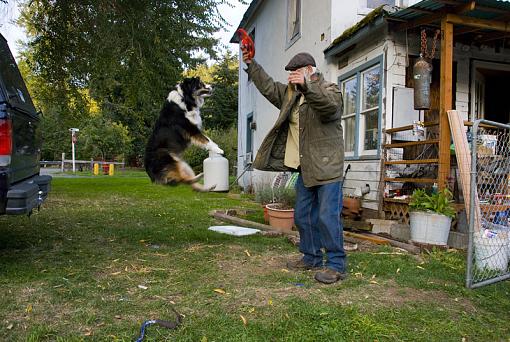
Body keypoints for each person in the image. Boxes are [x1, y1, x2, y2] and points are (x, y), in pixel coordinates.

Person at [241, 47, 347, 284]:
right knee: (302, 215)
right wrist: (250, 62)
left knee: (327, 217)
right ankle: (311, 257)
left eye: (296, 72)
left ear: (310, 71)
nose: (291, 77)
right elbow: (268, 86)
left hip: (328, 167)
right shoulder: (291, 95)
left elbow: (330, 109)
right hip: (305, 167)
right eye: (290, 73)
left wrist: (307, 87)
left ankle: (336, 264)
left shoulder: (329, 89)